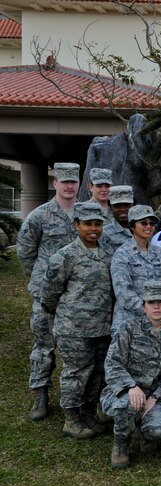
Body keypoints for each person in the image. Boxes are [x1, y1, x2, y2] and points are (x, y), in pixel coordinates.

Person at [41, 202, 114, 439]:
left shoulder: (107, 253)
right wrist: (65, 315)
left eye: (98, 224)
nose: (93, 228)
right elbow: (50, 293)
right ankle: (71, 419)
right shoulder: (65, 256)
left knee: (97, 373)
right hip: (74, 328)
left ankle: (89, 415)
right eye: (88, 224)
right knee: (76, 372)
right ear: (77, 225)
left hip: (103, 326)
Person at [17, 162, 80, 421]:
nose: (68, 185)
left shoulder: (85, 213)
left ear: (78, 184)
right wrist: (41, 279)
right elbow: (25, 251)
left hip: (76, 294)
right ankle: (41, 394)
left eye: (72, 181)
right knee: (44, 344)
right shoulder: (40, 215)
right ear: (55, 183)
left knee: (76, 348)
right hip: (46, 295)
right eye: (63, 181)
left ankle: (77, 396)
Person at [101, 281, 161, 469]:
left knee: (159, 429)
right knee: (126, 406)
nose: (156, 306)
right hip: (124, 391)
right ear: (144, 305)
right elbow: (112, 363)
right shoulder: (129, 328)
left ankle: (145, 433)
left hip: (155, 395)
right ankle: (121, 446)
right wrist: (131, 386)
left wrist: (156, 396)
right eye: (151, 302)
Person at [111, 204, 161, 337]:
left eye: (152, 223)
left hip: (156, 320)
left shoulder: (160, 253)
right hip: (128, 320)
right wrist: (145, 309)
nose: (148, 227)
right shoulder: (122, 254)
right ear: (132, 226)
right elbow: (122, 290)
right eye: (143, 223)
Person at [101, 185, 134, 252]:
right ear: (110, 207)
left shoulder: (144, 229)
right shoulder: (104, 234)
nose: (122, 209)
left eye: (126, 205)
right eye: (117, 206)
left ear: (133, 205)